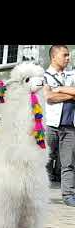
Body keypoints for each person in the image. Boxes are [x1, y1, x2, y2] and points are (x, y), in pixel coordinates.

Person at [43, 45, 75, 207]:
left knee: (68, 163)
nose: (68, 58)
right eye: (65, 55)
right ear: (54, 57)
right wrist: (71, 93)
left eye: (69, 55)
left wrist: (60, 88)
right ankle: (39, 196)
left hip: (70, 126)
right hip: (50, 125)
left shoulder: (72, 74)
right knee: (44, 161)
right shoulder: (44, 76)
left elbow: (55, 94)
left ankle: (69, 196)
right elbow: (48, 97)